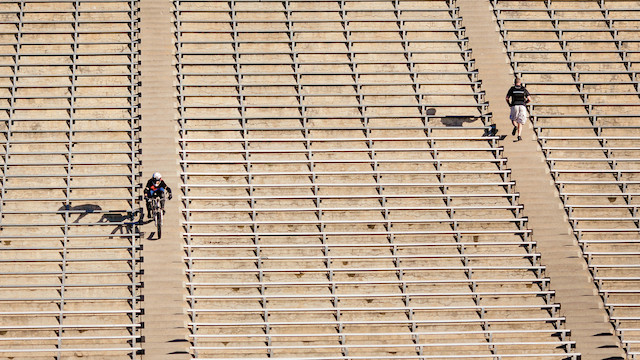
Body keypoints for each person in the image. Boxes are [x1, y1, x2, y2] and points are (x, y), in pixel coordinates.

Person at [506, 78, 532, 142]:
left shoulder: (512, 89)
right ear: (520, 83)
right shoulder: (523, 89)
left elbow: (507, 98)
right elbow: (529, 99)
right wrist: (525, 103)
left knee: (513, 119)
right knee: (520, 122)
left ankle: (515, 126)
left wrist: (509, 104)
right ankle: (519, 135)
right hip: (522, 106)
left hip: (514, 105)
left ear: (514, 83)